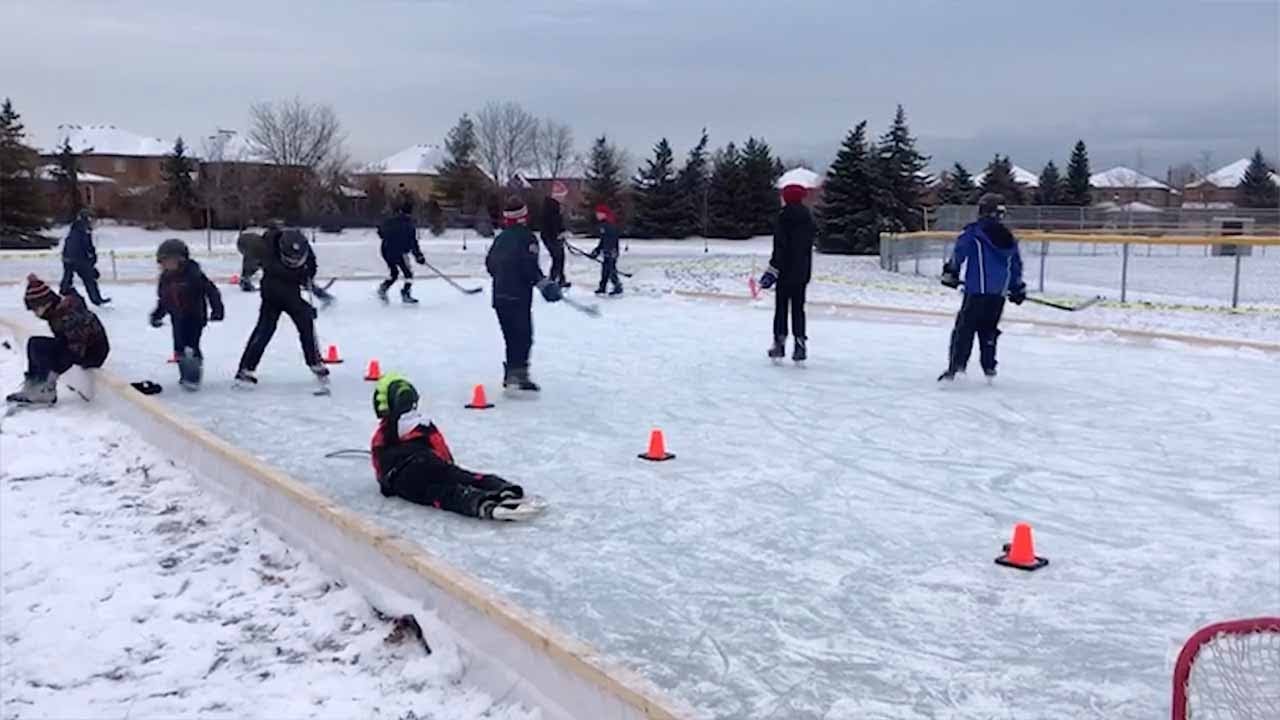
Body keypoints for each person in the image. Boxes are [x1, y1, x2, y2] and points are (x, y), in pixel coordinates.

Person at [370, 374, 532, 520]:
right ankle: (498, 486)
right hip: (429, 459)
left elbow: (379, 461)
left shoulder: (385, 430)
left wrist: (387, 485)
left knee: (440, 493)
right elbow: (439, 445)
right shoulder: (422, 422)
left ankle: (477, 501)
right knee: (462, 476)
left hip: (403, 476)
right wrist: (447, 465)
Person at [938, 193, 1026, 381]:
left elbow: (960, 252)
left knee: (965, 329)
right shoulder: (1008, 238)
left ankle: (957, 368)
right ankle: (989, 368)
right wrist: (1016, 288)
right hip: (998, 294)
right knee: (988, 329)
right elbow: (1015, 265)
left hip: (977, 292)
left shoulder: (974, 232)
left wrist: (951, 272)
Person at [235, 228, 329, 390]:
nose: (294, 263)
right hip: (272, 293)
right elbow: (285, 294)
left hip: (292, 290)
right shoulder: (267, 251)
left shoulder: (303, 246)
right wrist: (304, 306)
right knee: (265, 329)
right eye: (290, 261)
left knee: (306, 325)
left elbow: (311, 265)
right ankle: (246, 368)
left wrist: (308, 274)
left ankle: (314, 361)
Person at [484, 195, 562, 392]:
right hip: (518, 297)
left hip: (500, 296)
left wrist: (503, 275)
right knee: (524, 336)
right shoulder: (528, 237)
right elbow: (528, 267)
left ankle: (512, 373)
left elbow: (490, 265)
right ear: (523, 217)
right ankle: (519, 374)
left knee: (511, 336)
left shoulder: (500, 238)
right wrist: (544, 284)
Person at [6, 274, 110, 405]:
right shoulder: (56, 314)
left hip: (93, 353)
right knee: (35, 343)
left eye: (35, 309)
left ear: (45, 303)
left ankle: (46, 389)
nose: (35, 314)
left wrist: (53, 374)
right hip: (79, 347)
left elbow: (75, 351)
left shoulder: (69, 315)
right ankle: (34, 386)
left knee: (41, 347)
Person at [150, 239, 225, 390]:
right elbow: (164, 299)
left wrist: (217, 309)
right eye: (162, 262)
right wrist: (157, 315)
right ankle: (184, 374)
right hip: (177, 317)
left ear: (180, 259)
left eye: (168, 261)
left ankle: (193, 377)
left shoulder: (193, 274)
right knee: (179, 346)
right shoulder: (165, 278)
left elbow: (211, 291)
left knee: (190, 346)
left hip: (195, 316)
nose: (164, 265)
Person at [760, 184, 816, 362]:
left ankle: (779, 343)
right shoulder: (808, 218)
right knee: (799, 309)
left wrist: (772, 271)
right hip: (802, 271)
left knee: (781, 309)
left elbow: (781, 247)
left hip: (785, 271)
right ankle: (800, 345)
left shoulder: (783, 218)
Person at [376, 202, 425, 304]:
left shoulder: (390, 220)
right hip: (398, 253)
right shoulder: (409, 225)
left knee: (394, 273)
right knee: (408, 274)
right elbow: (413, 243)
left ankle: (383, 288)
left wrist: (387, 238)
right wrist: (418, 255)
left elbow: (380, 231)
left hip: (386, 250)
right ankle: (405, 294)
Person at [60, 209, 110, 306]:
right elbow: (83, 247)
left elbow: (87, 247)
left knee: (72, 278)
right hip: (76, 259)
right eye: (91, 220)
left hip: (72, 258)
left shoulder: (79, 229)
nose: (93, 223)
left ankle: (96, 299)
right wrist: (90, 259)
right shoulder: (81, 231)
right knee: (88, 279)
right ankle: (95, 299)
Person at [588, 204, 622, 296]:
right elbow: (603, 240)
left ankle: (617, 286)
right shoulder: (604, 225)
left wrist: (610, 251)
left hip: (611, 251)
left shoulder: (609, 225)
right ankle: (602, 287)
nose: (597, 215)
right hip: (607, 251)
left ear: (604, 214)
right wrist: (597, 250)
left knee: (611, 269)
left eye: (599, 213)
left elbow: (612, 239)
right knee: (605, 270)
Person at [540, 188, 569, 288]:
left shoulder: (554, 206)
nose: (564, 198)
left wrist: (562, 231)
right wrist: (558, 233)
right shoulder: (552, 207)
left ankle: (561, 279)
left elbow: (558, 222)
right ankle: (552, 281)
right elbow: (552, 223)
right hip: (550, 237)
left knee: (560, 257)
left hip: (553, 236)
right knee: (557, 258)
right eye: (563, 196)